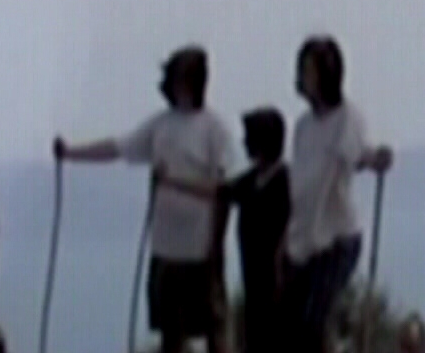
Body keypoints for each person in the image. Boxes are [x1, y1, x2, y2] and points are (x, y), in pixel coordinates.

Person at [53, 46, 235, 353]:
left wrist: (171, 183)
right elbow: (118, 148)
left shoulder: (214, 130)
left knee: (213, 332)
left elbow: (223, 187)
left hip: (201, 251)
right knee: (171, 335)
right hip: (165, 249)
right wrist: (71, 153)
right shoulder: (160, 125)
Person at [277, 35, 393, 353]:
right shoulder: (303, 126)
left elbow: (354, 156)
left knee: (315, 320)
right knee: (293, 323)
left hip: (336, 238)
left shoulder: (347, 119)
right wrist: (287, 238)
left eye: (308, 70)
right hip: (304, 237)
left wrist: (374, 158)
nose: (302, 77)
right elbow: (300, 186)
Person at [155, 106, 291, 353]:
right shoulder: (252, 181)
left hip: (276, 278)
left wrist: (280, 264)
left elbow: (291, 226)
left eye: (249, 137)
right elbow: (217, 191)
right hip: (254, 275)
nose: (245, 143)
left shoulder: (285, 181)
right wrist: (171, 182)